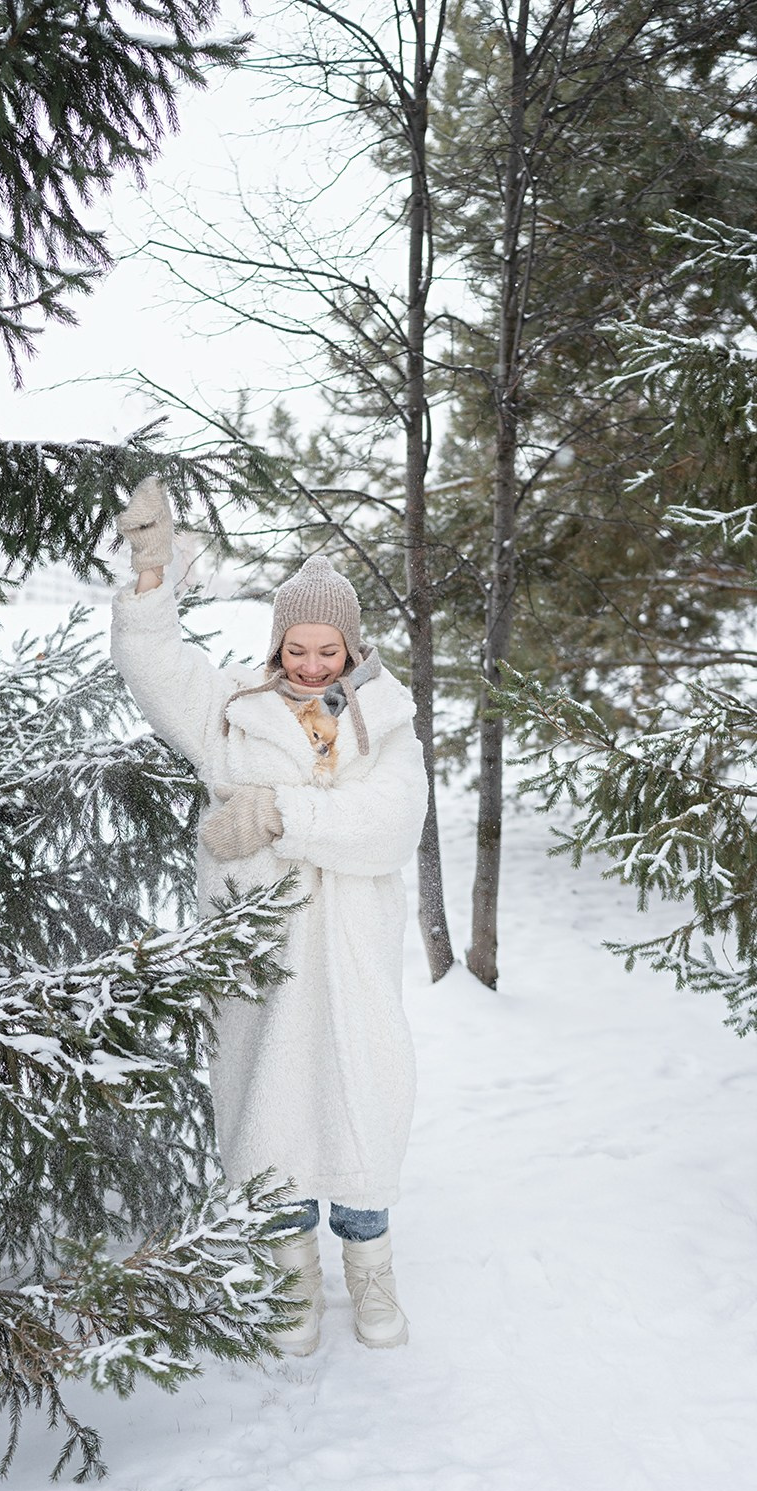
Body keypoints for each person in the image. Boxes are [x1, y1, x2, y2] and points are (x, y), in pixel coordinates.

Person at [112, 476, 428, 1354]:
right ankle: (292, 1281)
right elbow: (158, 670)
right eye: (298, 646)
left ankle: (370, 1278)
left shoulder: (388, 727)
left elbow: (390, 825)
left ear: (352, 648)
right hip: (261, 955)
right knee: (271, 1115)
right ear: (279, 643)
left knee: (360, 1116)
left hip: (351, 960)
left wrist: (281, 815)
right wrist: (150, 579)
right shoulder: (234, 715)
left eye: (328, 649)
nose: (312, 665)